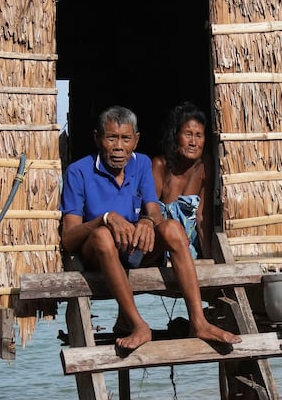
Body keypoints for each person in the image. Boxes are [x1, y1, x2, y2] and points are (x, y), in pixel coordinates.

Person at [60, 105, 240, 351]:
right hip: (99, 256)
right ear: (97, 138)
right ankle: (138, 324)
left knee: (173, 229)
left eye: (125, 139)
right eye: (111, 138)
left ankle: (198, 321)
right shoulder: (78, 172)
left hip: (134, 251)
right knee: (103, 236)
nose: (118, 147)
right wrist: (104, 218)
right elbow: (69, 238)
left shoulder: (141, 163)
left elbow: (153, 209)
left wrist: (147, 220)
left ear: (136, 140)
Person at [151, 102, 212, 260]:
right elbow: (151, 213)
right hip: (162, 245)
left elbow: (202, 216)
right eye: (188, 134)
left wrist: (209, 261)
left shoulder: (204, 165)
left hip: (189, 248)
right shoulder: (160, 165)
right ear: (176, 135)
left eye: (199, 135)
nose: (193, 142)